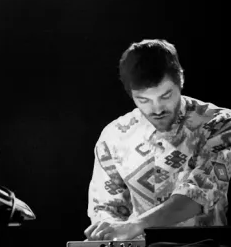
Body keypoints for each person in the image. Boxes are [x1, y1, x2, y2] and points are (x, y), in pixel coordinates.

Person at [84, 39, 230, 241]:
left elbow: (200, 192)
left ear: (180, 81)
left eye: (165, 95)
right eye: (144, 100)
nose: (157, 109)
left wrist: (137, 225)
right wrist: (109, 232)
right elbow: (105, 208)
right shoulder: (113, 137)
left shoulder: (219, 124)